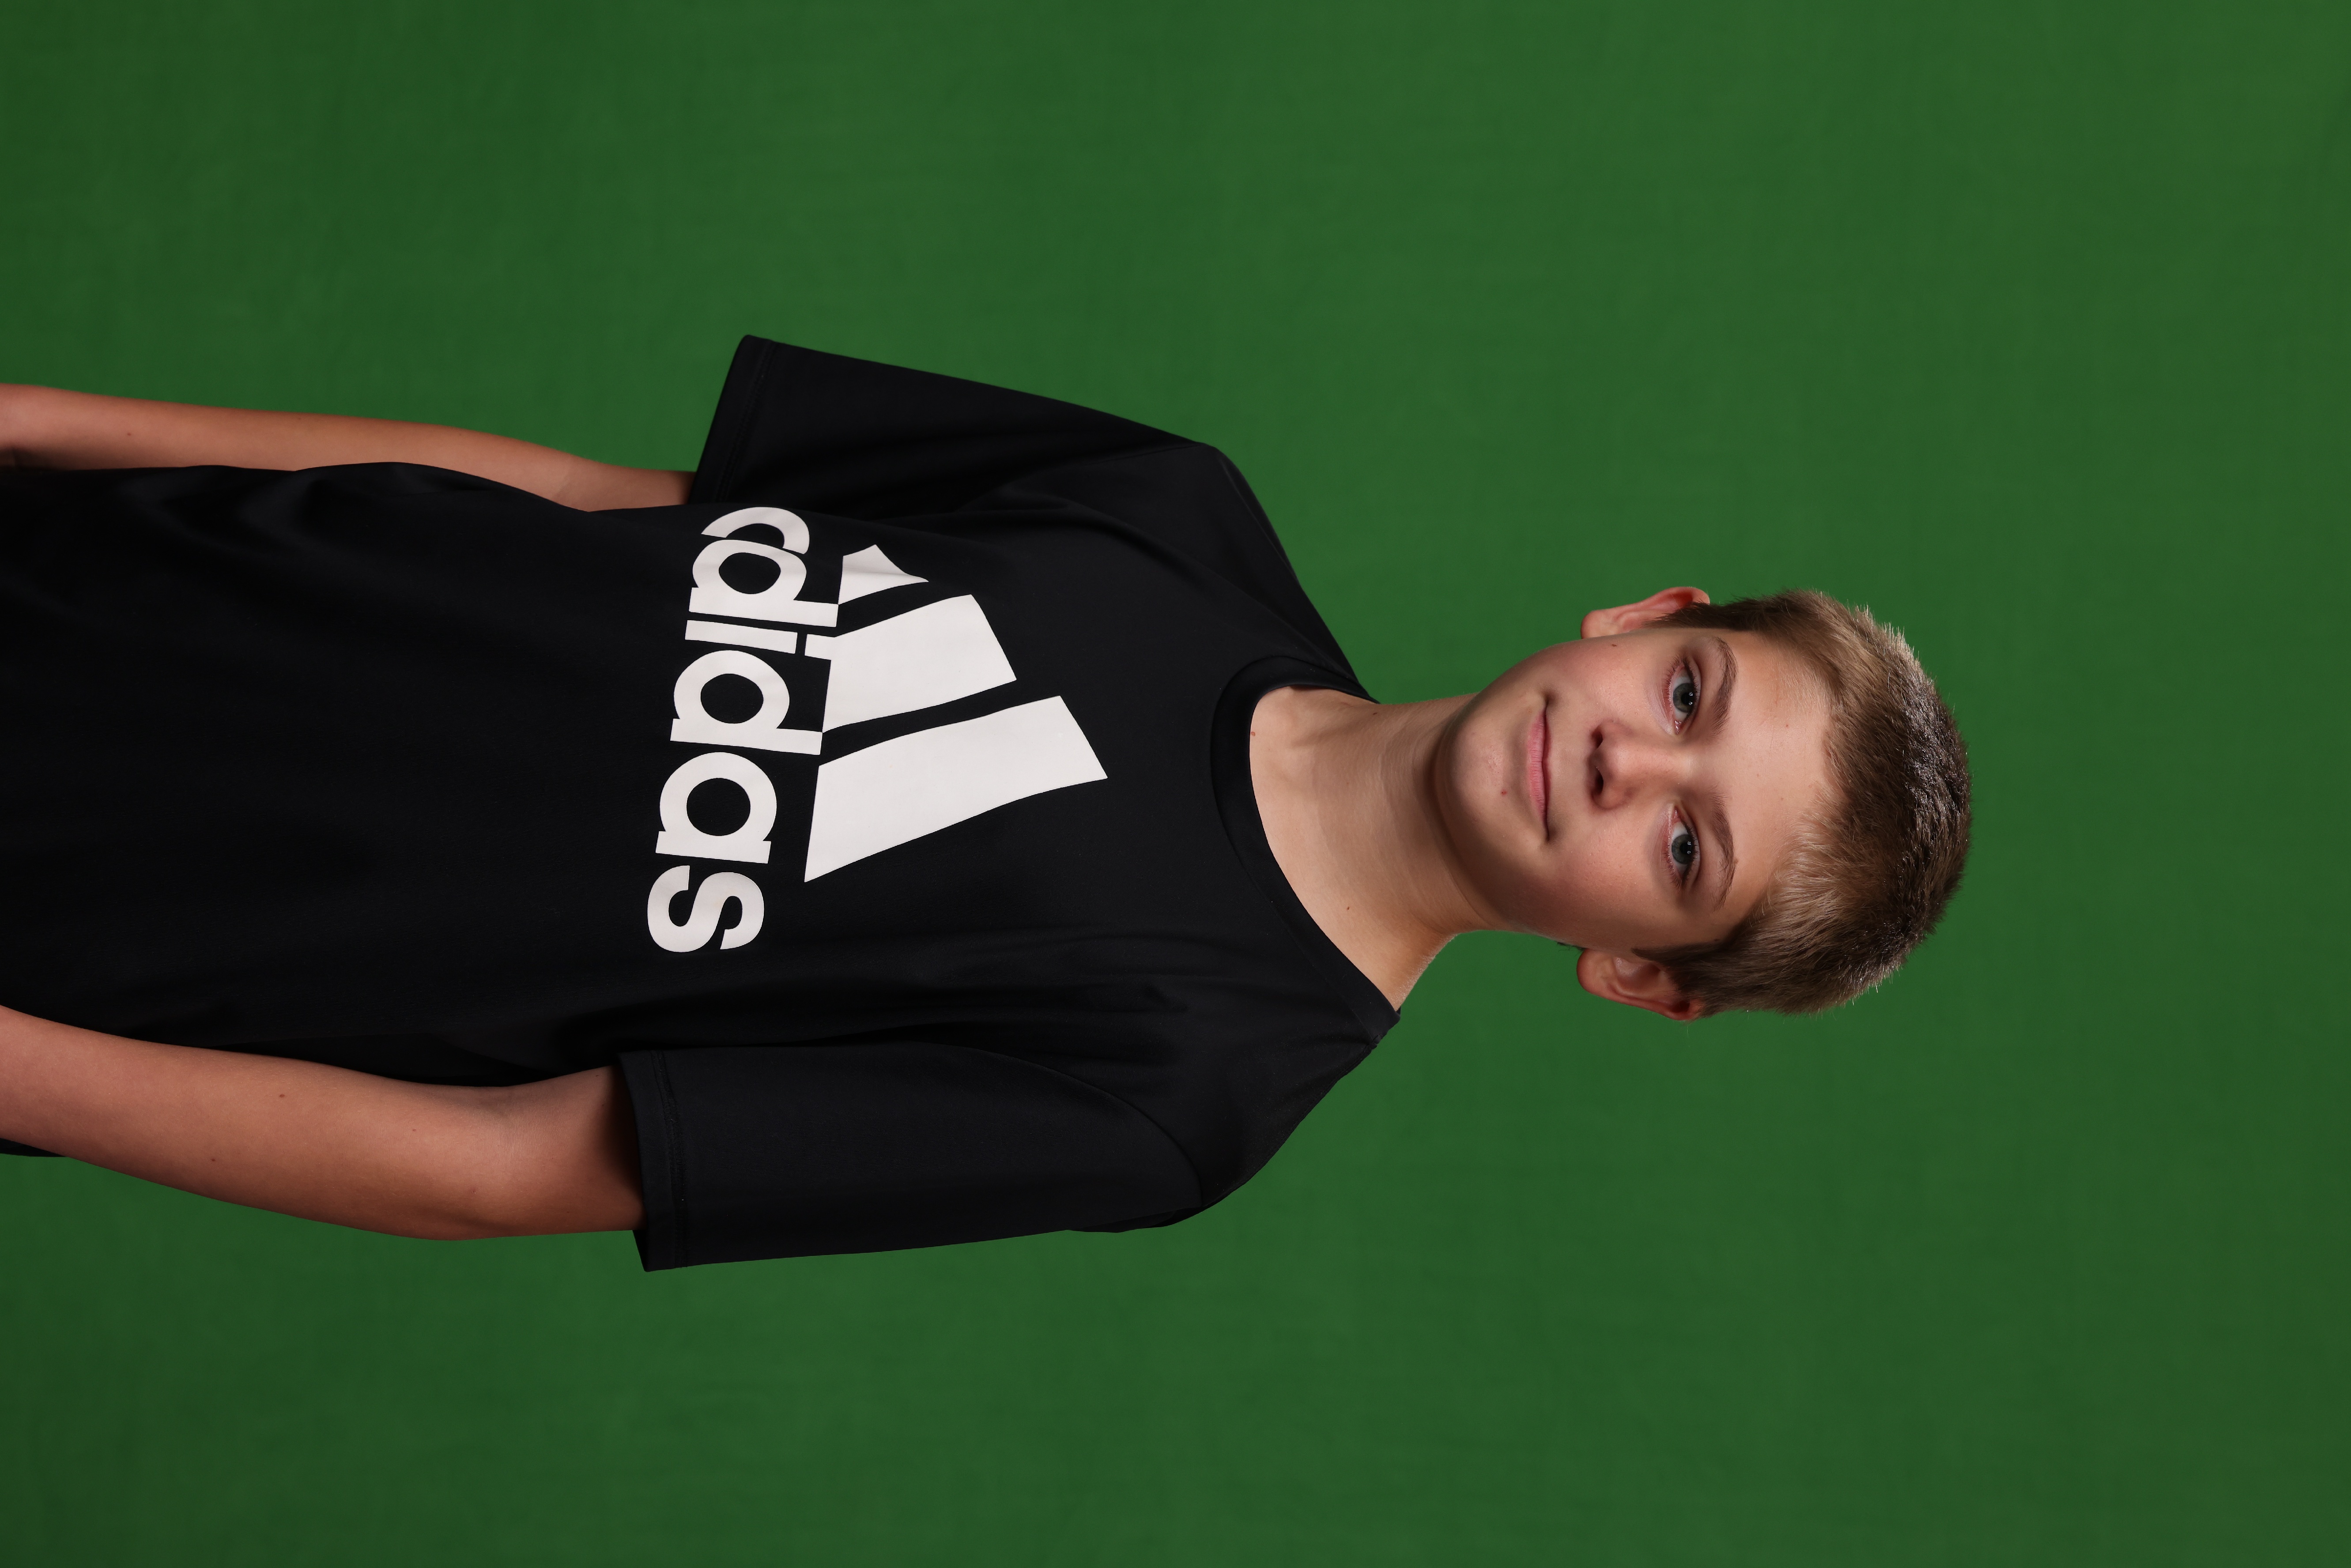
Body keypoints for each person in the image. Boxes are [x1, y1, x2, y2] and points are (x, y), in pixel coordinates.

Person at [0, 338, 1970, 1269]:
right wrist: (41, 425)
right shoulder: (1170, 511)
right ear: (1649, 620)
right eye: (1690, 699)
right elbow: (583, 496)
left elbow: (506, 1165)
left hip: (92, 921)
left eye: (1686, 846)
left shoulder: (1181, 1089)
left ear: (1640, 972)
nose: (1629, 759)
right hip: (107, 571)